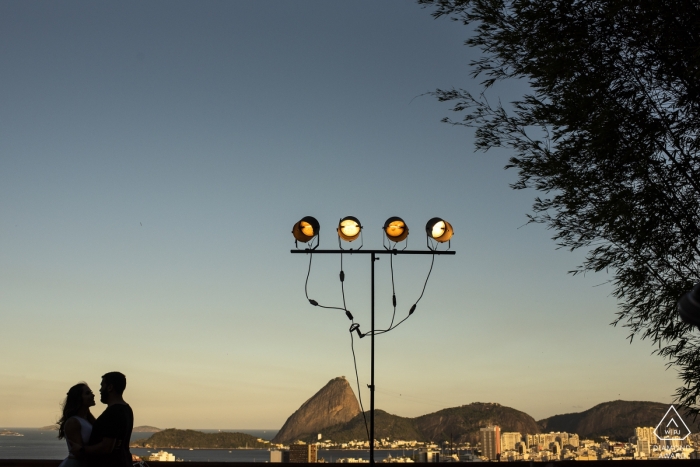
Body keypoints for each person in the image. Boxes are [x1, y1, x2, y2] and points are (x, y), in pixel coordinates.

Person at [81, 372, 134, 467]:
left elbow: (107, 447)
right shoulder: (126, 409)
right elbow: (104, 428)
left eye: (102, 386)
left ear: (110, 387)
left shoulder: (113, 412)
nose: (100, 390)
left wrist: (82, 449)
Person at [57, 383, 96, 467]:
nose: (93, 395)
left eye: (91, 392)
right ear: (78, 398)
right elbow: (78, 453)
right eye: (87, 393)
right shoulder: (73, 422)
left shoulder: (87, 420)